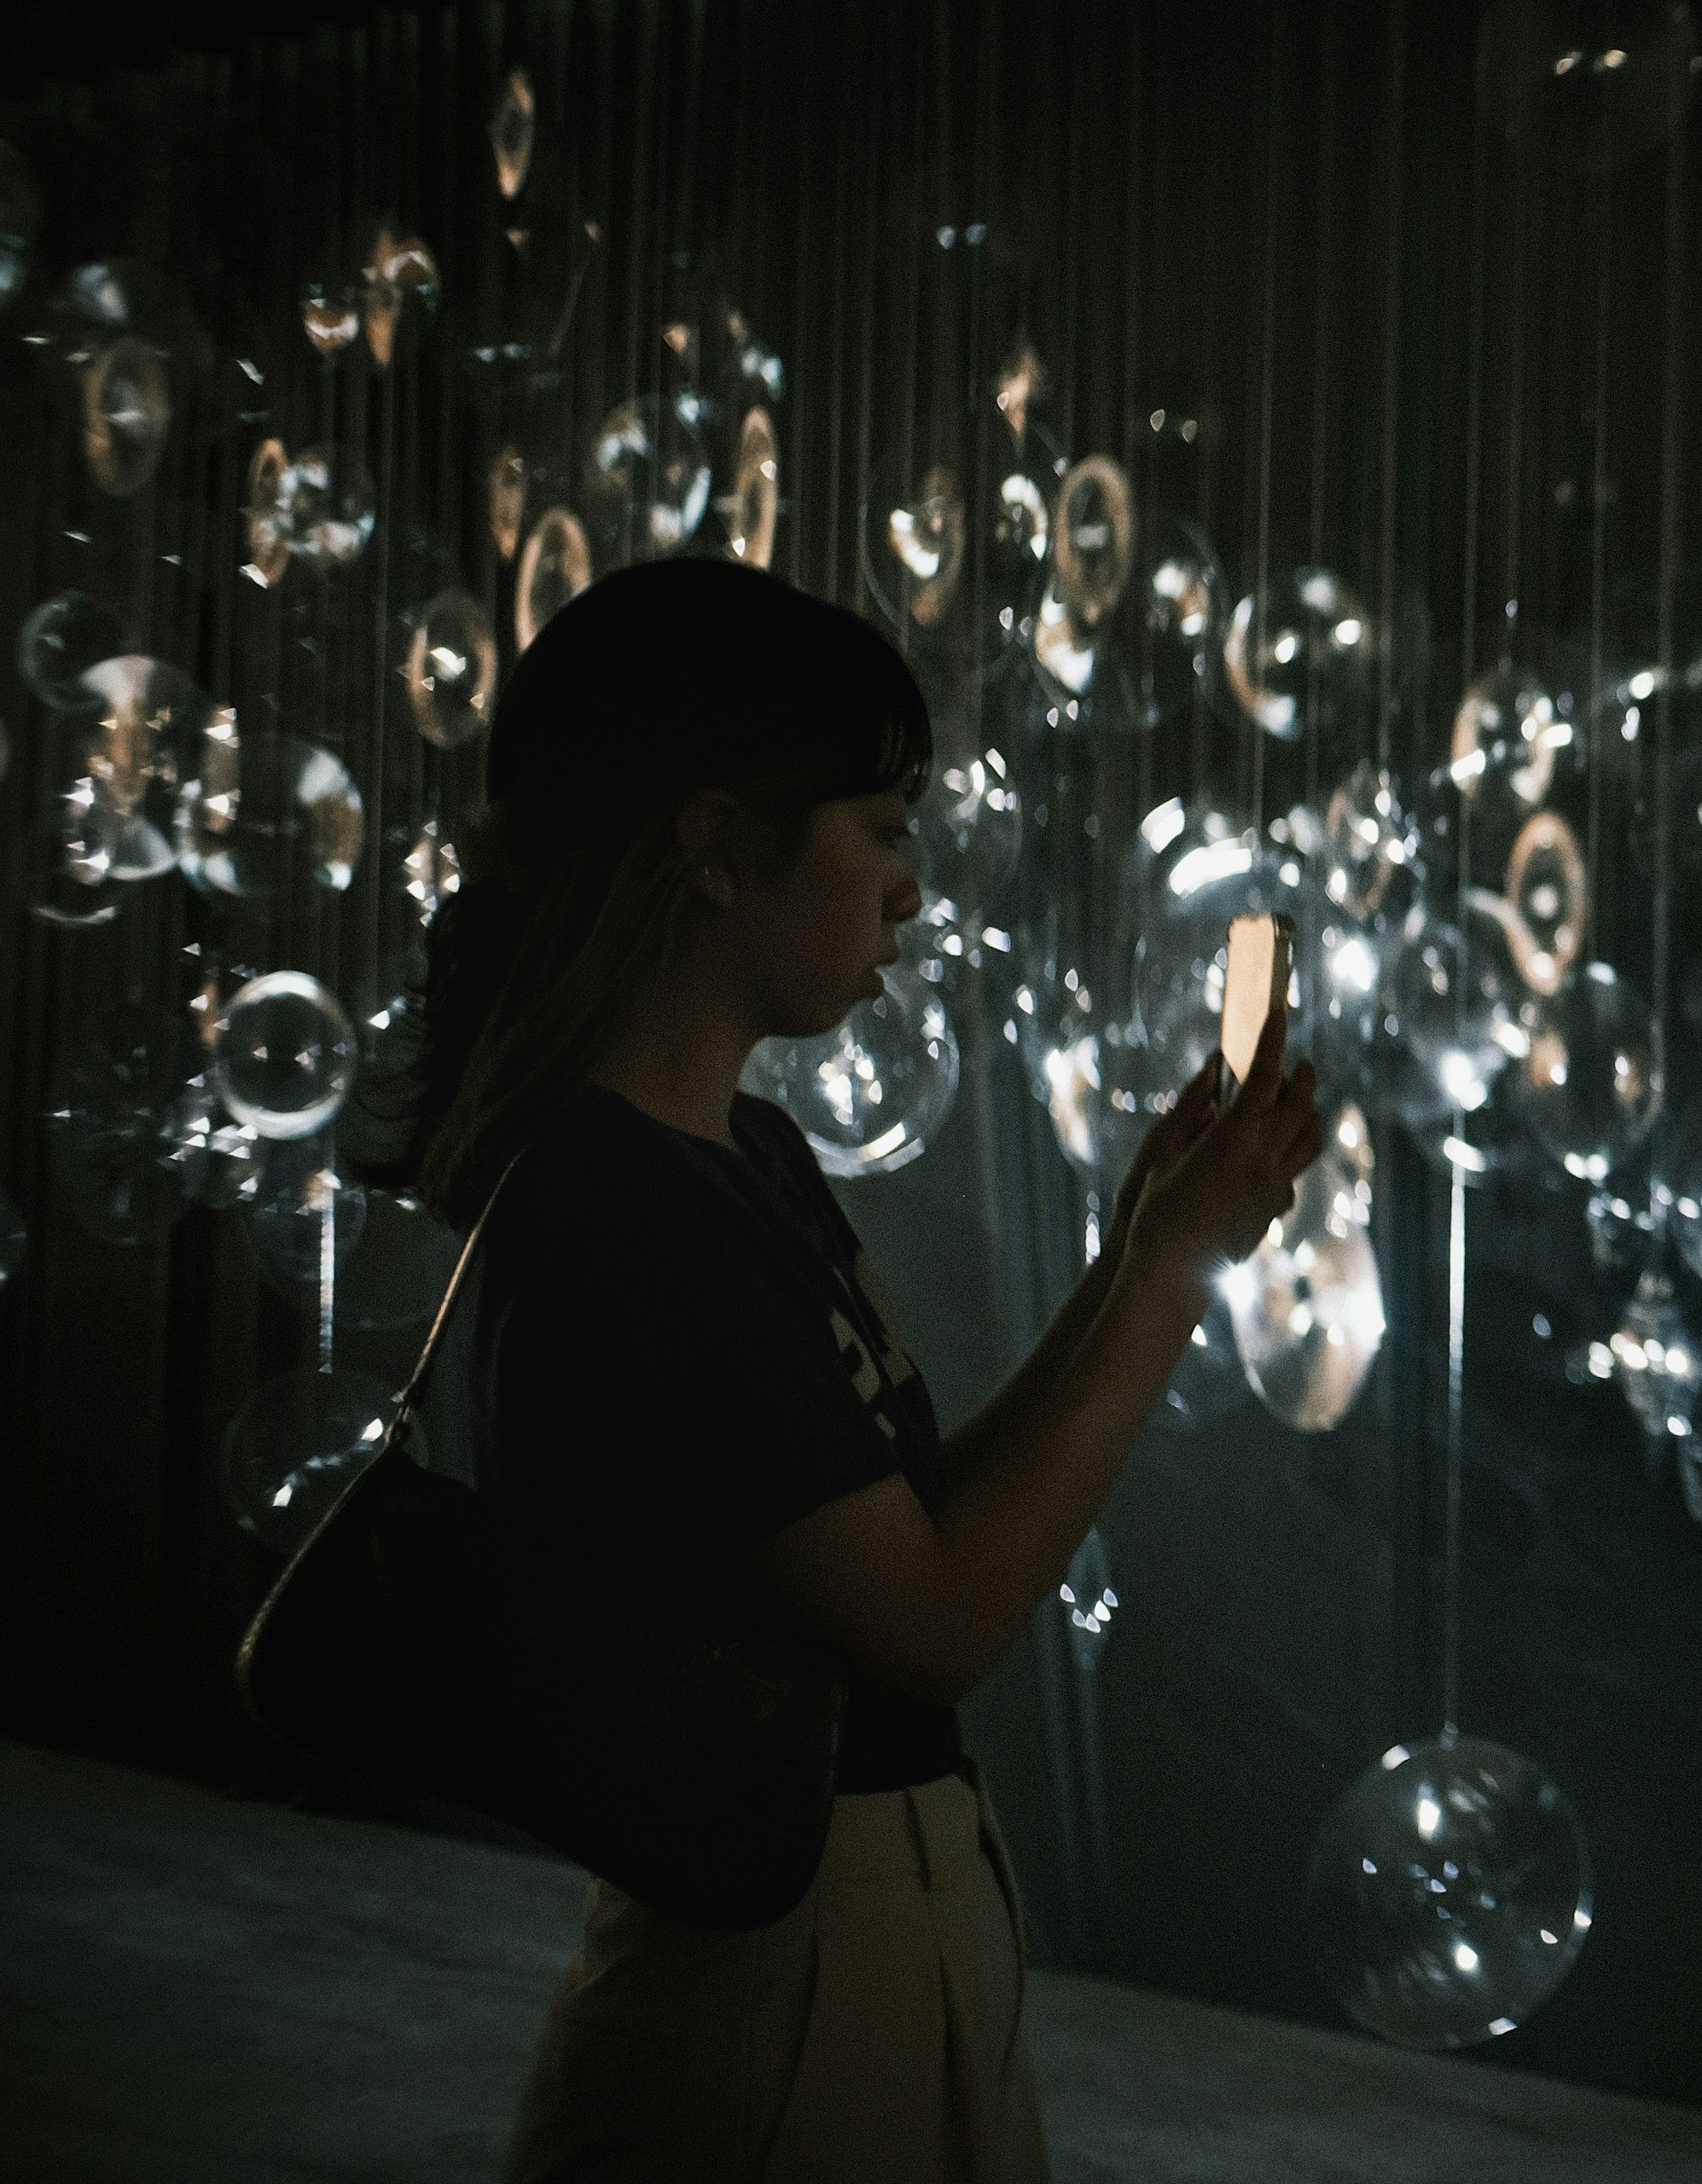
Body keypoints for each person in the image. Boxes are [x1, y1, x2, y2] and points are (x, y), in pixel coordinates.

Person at [368, 558, 1324, 2181]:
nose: (911, 890)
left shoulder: (739, 1156)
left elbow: (912, 1519)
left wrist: (1137, 1249)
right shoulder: (617, 1212)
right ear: (718, 846)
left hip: (878, 1938)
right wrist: (1167, 1277)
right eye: (881, 829)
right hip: (779, 1980)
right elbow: (937, 1623)